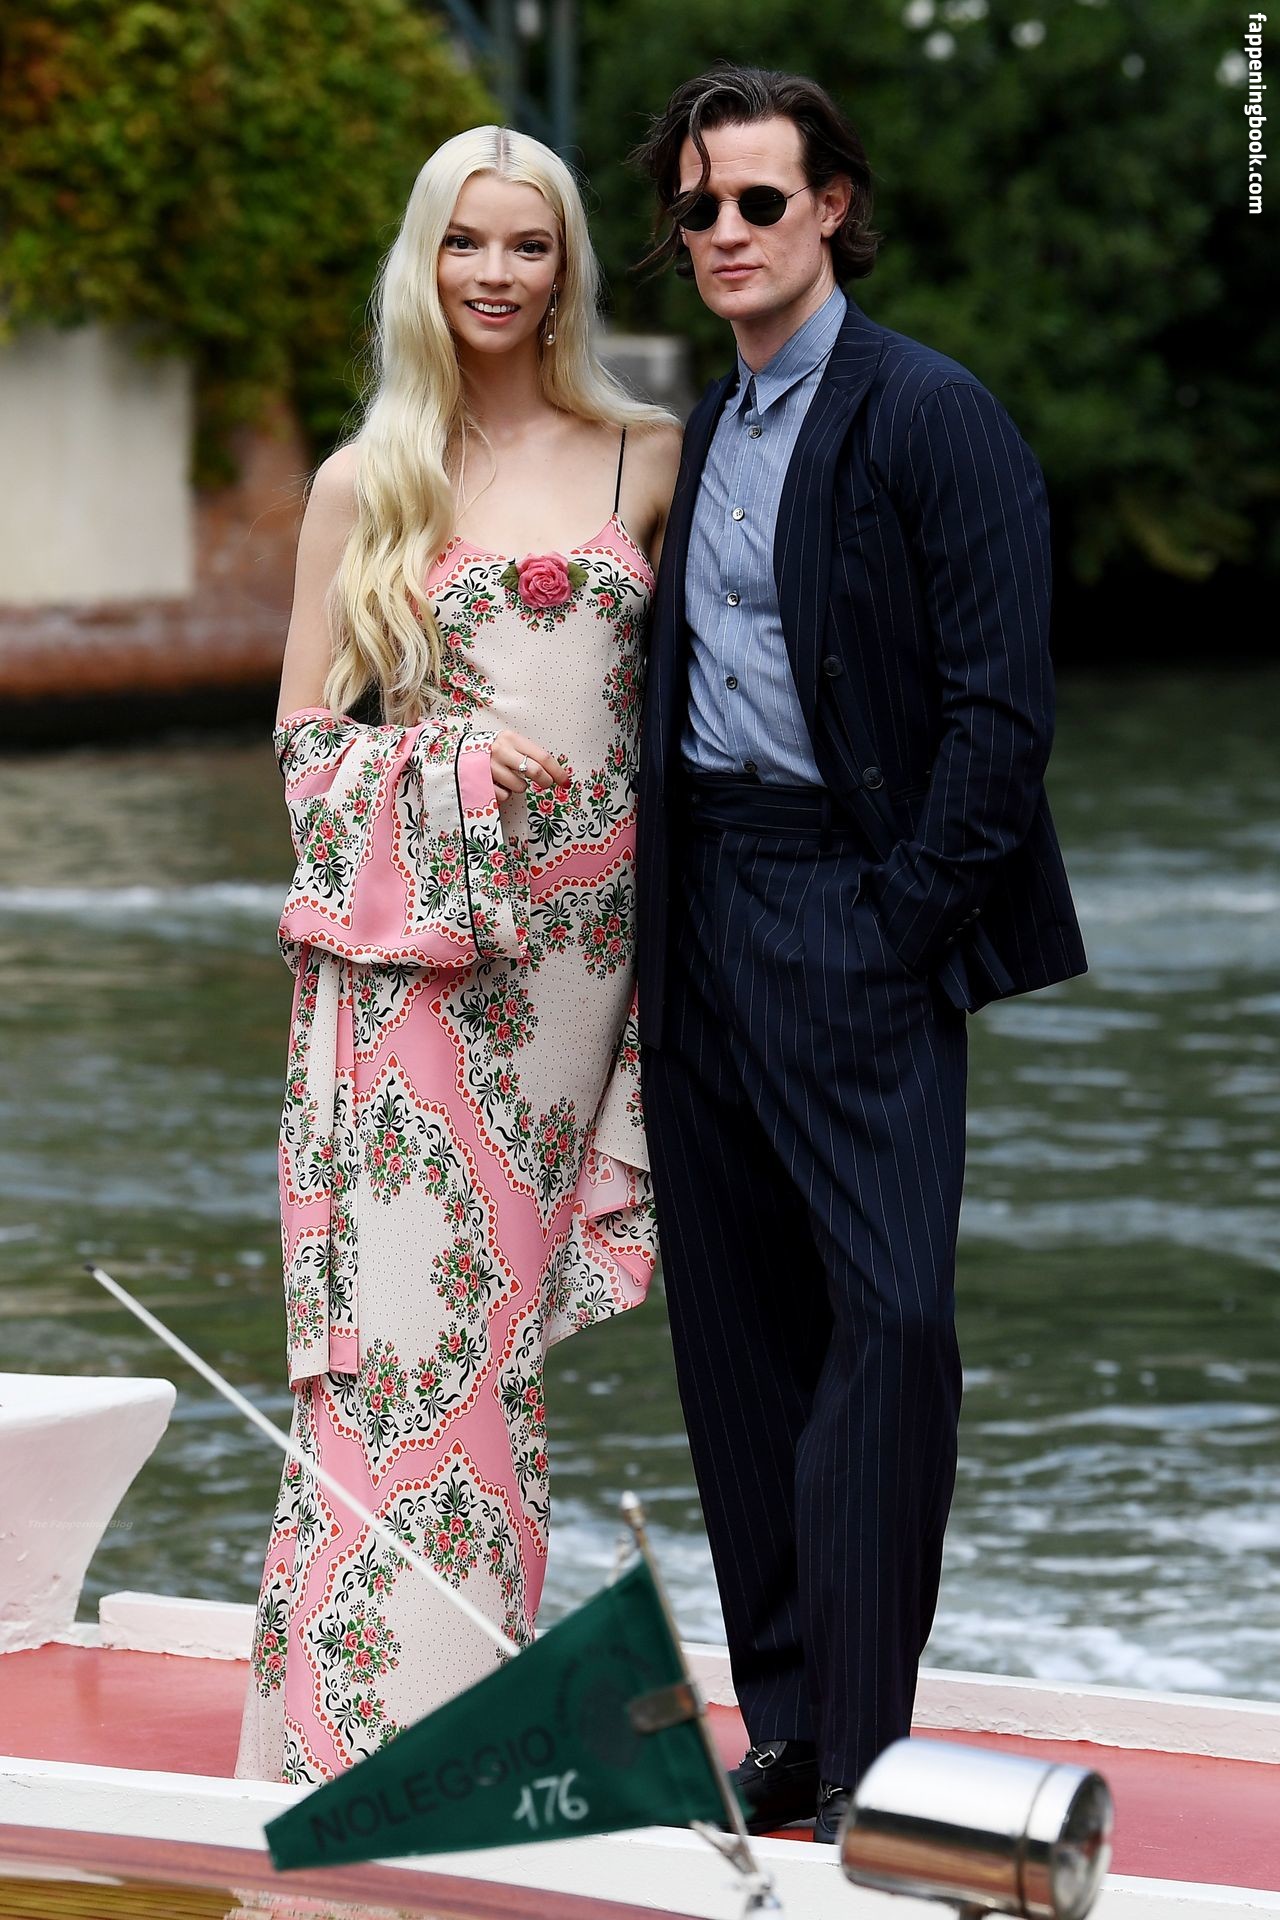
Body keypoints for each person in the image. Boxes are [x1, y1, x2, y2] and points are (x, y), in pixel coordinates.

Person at [632, 65, 1086, 1841]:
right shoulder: (701, 428)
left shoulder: (933, 413)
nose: (728, 231)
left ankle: (872, 1751)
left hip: (855, 908)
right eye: (700, 206)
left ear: (831, 205)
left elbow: (1003, 714)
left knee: (890, 1326)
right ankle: (792, 1729)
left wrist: (897, 926)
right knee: (740, 1346)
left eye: (761, 199)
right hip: (700, 913)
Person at [235, 125, 681, 1784]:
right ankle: (355, 1742)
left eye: (530, 245)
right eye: (466, 243)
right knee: (409, 1342)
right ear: (424, 262)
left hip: (584, 983)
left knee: (494, 1351)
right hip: (426, 966)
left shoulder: (649, 455)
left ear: (567, 268)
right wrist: (455, 770)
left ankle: (458, 1714)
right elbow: (303, 748)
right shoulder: (369, 480)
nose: (497, 274)